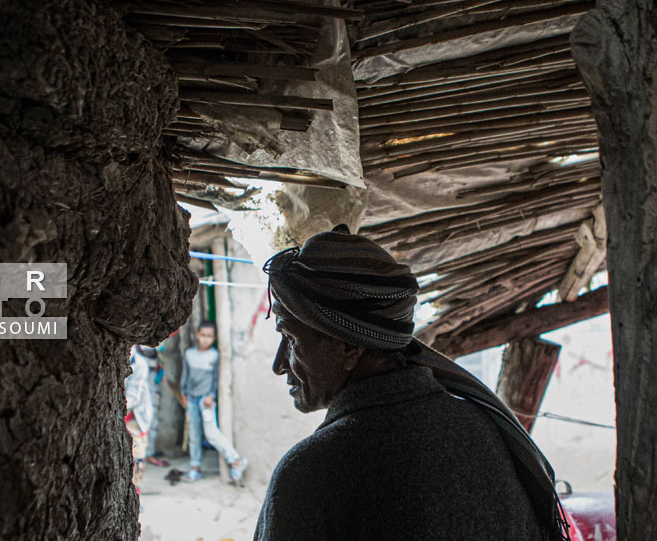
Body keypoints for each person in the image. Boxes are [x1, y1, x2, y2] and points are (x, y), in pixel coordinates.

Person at [254, 225, 571, 541]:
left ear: (349, 346)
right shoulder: (485, 432)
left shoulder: (313, 475)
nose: (279, 365)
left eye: (290, 339)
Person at [179, 321, 248, 483]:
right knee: (194, 435)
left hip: (206, 400)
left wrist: (211, 395)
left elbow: (216, 379)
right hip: (191, 399)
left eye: (209, 336)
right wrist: (183, 393)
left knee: (211, 433)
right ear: (197, 335)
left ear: (214, 338)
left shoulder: (215, 355)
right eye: (203, 335)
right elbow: (185, 375)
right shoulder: (189, 354)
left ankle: (236, 460)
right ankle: (195, 467)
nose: (205, 339)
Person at [124, 345, 154, 492]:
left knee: (137, 457)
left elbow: (133, 397)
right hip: (122, 414)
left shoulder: (140, 364)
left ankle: (135, 494)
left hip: (136, 418)